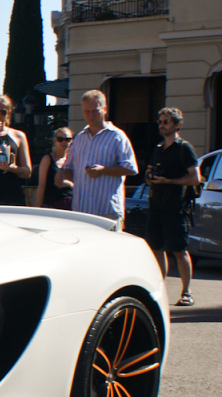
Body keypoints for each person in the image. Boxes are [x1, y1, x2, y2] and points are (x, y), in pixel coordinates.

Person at [57, 89, 138, 229]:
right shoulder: (79, 139)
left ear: (104, 109)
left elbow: (131, 168)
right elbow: (69, 169)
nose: (90, 115)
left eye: (94, 111)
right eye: (86, 111)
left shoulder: (117, 136)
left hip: (107, 212)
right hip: (82, 211)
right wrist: (61, 172)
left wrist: (103, 170)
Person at [145, 107, 201, 306]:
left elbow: (195, 178)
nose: (162, 125)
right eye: (160, 122)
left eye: (166, 121)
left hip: (176, 207)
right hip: (156, 205)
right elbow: (148, 177)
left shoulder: (184, 148)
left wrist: (168, 181)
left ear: (177, 125)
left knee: (179, 251)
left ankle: (187, 292)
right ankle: (160, 290)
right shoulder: (158, 149)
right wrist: (151, 176)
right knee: (157, 249)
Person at [34, 127, 74, 209]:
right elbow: (41, 186)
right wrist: (37, 208)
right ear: (55, 140)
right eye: (60, 139)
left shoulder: (72, 160)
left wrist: (69, 184)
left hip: (70, 203)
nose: (64, 142)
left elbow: (78, 184)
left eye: (67, 139)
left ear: (71, 141)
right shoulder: (47, 159)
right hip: (51, 204)